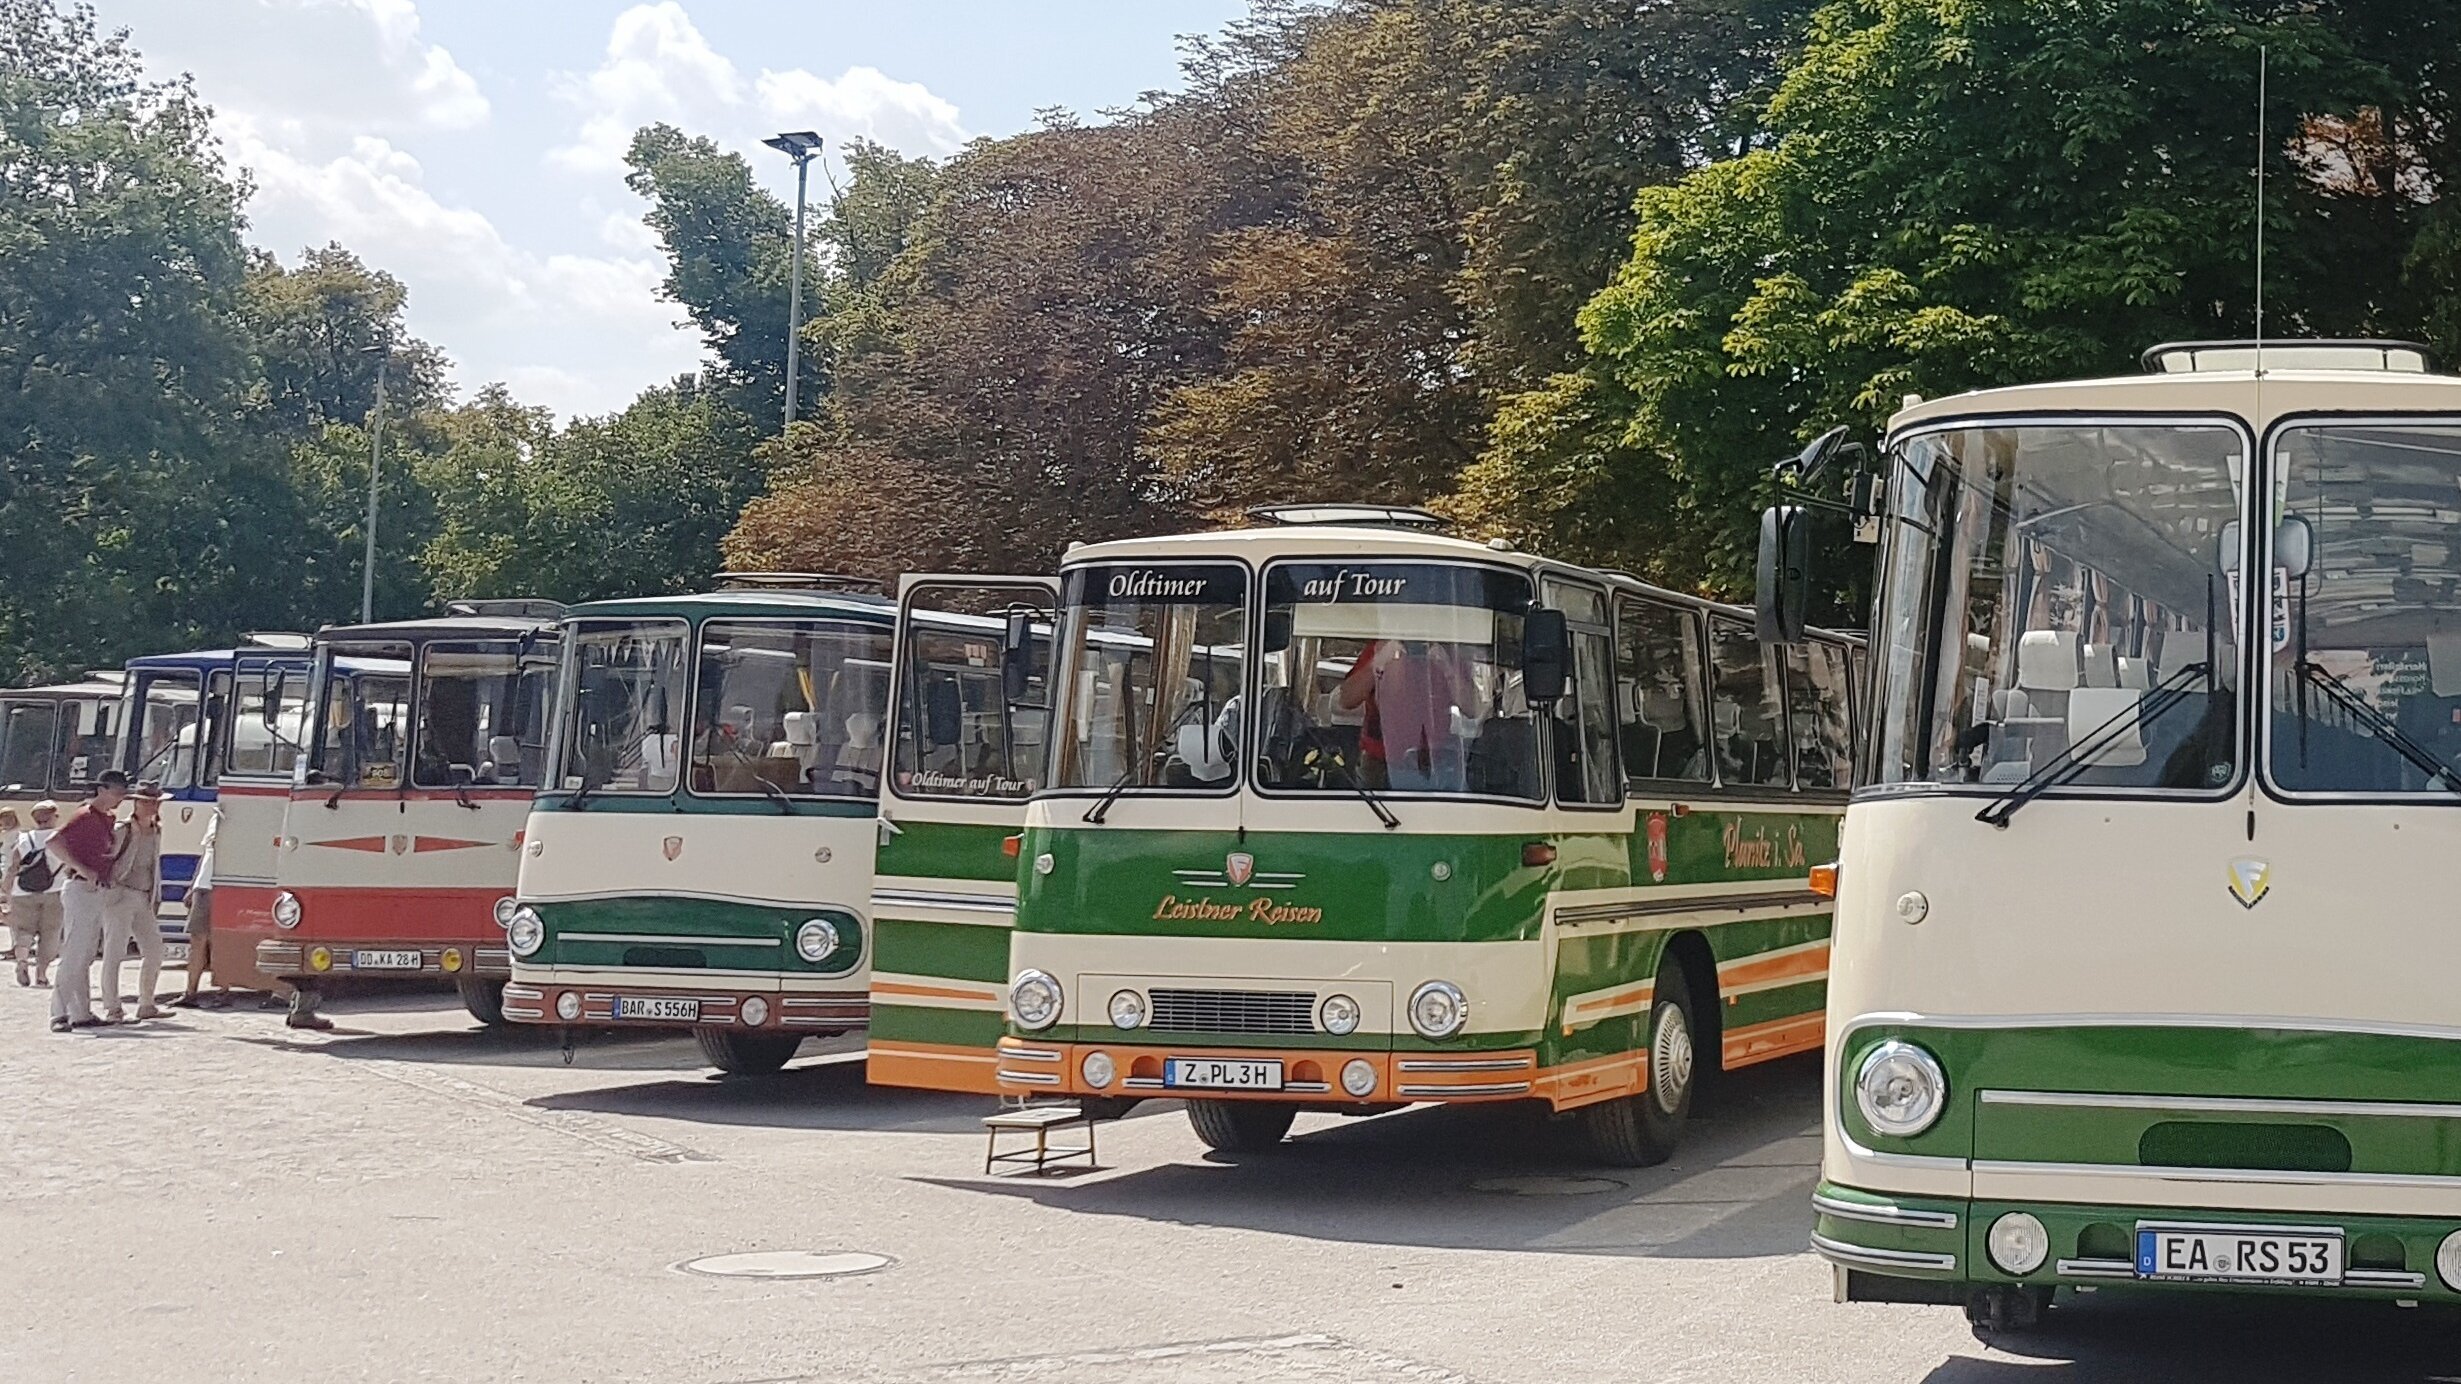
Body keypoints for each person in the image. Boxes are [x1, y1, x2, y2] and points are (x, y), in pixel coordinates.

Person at [47, 770, 129, 1032]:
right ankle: (58, 1013)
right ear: (101, 789)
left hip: (96, 890)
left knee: (85, 954)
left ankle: (80, 1012)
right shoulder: (84, 816)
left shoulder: (107, 819)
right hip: (80, 888)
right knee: (74, 952)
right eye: (116, 792)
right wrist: (82, 869)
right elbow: (54, 841)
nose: (119, 799)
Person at [1334, 639, 1472, 791]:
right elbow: (1346, 700)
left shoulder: (1448, 651)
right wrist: (1378, 661)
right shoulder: (1381, 647)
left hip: (1437, 764)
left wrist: (1447, 668)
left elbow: (1473, 708)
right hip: (1381, 763)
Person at [98, 782, 167, 1022]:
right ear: (136, 803)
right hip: (120, 893)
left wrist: (155, 895)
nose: (152, 806)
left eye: (155, 802)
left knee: (155, 950)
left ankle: (147, 1003)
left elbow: (153, 865)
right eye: (146, 801)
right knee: (114, 952)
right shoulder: (123, 829)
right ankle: (112, 1007)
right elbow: (106, 858)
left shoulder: (157, 829)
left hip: (143, 896)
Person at [5, 800, 63, 987]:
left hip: (23, 891)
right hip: (54, 891)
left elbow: (13, 867)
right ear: (54, 815)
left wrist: (7, 890)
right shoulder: (60, 837)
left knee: (23, 931)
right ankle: (41, 974)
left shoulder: (23, 839)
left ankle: (22, 961)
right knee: (50, 934)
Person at [172, 807, 222, 1008]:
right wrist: (192, 886)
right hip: (204, 885)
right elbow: (205, 853)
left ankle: (223, 988)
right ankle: (190, 991)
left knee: (222, 941)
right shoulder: (215, 815)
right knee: (197, 939)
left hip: (225, 884)